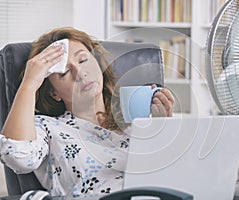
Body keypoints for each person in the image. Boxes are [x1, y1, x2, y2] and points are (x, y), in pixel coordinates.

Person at [0, 27, 175, 197]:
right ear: (54, 93)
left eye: (83, 60)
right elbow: (16, 156)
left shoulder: (137, 119)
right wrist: (30, 83)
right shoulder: (47, 128)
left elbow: (171, 174)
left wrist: (161, 128)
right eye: (65, 72)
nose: (80, 73)